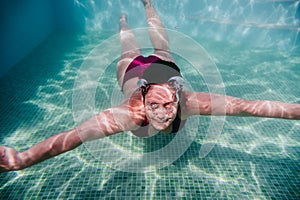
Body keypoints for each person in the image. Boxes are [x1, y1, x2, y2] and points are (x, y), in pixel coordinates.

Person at [0, 0, 299, 172]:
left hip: (163, 65)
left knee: (163, 47)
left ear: (177, 96)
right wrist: (21, 159)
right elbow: (75, 136)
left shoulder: (191, 103)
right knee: (128, 48)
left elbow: (248, 107)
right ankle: (122, 20)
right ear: (142, 102)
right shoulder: (127, 115)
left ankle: (148, 3)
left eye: (169, 105)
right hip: (132, 71)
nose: (164, 113)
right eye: (155, 106)